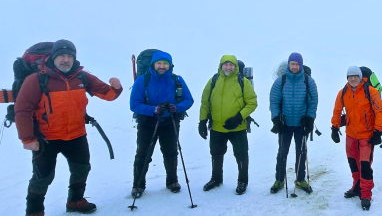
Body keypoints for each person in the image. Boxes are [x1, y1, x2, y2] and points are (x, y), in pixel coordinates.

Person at [15, 39, 123, 216]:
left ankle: (75, 201)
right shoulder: (37, 79)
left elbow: (108, 94)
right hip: (46, 138)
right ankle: (34, 211)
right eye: (61, 56)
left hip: (76, 135)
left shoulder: (81, 77)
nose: (65, 60)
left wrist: (116, 88)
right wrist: (27, 138)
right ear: (53, 57)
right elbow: (23, 110)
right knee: (43, 178)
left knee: (81, 169)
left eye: (69, 56)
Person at [130, 51, 193, 197]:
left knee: (171, 153)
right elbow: (134, 104)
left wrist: (177, 107)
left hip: (170, 121)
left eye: (165, 63)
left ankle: (172, 181)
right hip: (147, 122)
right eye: (159, 63)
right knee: (143, 154)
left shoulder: (177, 80)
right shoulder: (142, 80)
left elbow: (188, 99)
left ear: (170, 65)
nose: (162, 66)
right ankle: (137, 185)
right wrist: (153, 110)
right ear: (153, 64)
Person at [199, 55, 257, 195]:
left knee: (241, 154)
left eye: (231, 65)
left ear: (236, 66)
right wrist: (202, 121)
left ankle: (242, 181)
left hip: (238, 127)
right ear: (221, 65)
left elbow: (252, 102)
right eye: (225, 64)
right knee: (216, 153)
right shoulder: (213, 81)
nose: (228, 67)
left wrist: (239, 117)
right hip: (217, 127)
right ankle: (216, 178)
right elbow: (205, 102)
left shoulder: (243, 81)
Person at [331, 66, 382, 211]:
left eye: (355, 76)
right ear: (347, 78)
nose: (353, 79)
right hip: (351, 135)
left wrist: (378, 132)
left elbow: (379, 112)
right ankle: (357, 187)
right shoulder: (343, 92)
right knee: (353, 163)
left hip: (366, 136)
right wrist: (335, 128)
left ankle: (366, 194)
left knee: (365, 166)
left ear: (360, 77)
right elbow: (337, 110)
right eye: (350, 76)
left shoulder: (371, 92)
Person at [269, 52, 318, 194]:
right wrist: (276, 119)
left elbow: (313, 101)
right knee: (282, 153)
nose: (294, 66)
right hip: (285, 124)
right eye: (292, 63)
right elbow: (274, 101)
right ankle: (279, 179)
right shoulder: (281, 80)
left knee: (301, 153)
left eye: (297, 64)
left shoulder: (309, 81)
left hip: (301, 124)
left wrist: (310, 119)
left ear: (301, 65)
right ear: (289, 64)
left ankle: (300, 179)